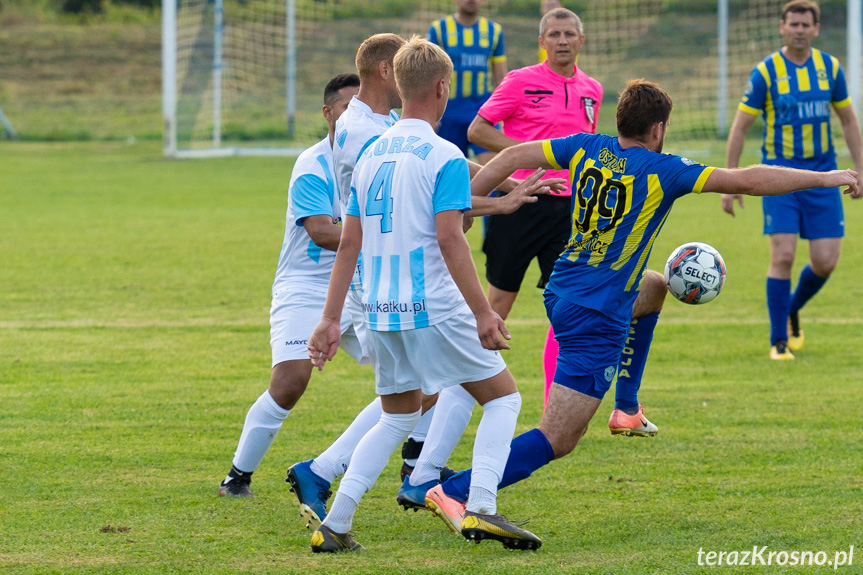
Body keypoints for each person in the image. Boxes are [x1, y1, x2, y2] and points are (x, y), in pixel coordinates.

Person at [419, 78, 858, 533]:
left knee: (652, 286)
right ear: (659, 129)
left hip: (565, 287)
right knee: (560, 437)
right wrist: (827, 178)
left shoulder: (586, 145)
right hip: (596, 312)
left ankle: (626, 408)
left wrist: (468, 208)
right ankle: (455, 491)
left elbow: (510, 155)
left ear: (619, 120)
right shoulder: (666, 169)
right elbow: (748, 179)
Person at [286, 33, 560, 530]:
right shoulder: (444, 155)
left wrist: (329, 320)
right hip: (433, 303)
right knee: (504, 398)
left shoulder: (369, 151)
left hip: (380, 306)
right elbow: (451, 239)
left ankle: (336, 524)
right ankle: (480, 508)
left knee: (397, 415)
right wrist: (482, 311)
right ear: (441, 88)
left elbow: (349, 242)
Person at [468, 7, 662, 436]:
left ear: (581, 41)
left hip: (572, 212)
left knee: (567, 310)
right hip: (518, 203)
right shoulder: (519, 80)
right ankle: (458, 395)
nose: (561, 40)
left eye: (568, 34)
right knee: (497, 306)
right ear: (542, 41)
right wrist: (527, 154)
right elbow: (478, 130)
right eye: (553, 34)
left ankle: (553, 409)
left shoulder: (592, 88)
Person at [217, 74, 364, 498]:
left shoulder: (377, 159)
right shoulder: (312, 164)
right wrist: (393, 227)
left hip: (363, 282)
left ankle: (416, 468)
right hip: (306, 285)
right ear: (327, 113)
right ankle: (237, 477)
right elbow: (321, 231)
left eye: (361, 108)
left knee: (418, 374)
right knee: (290, 382)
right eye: (345, 107)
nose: (353, 115)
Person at [722, 0, 863, 360]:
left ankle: (791, 309)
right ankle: (778, 341)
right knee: (783, 254)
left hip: (824, 176)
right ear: (782, 27)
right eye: (793, 24)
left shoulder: (829, 68)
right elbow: (741, 126)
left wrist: (860, 170)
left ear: (816, 29)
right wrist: (730, 179)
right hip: (779, 178)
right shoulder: (766, 72)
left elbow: (848, 121)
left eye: (806, 24)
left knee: (825, 261)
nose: (800, 29)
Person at [428, 0, 506, 165]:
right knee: (449, 168)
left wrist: (504, 114)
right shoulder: (439, 29)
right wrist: (431, 112)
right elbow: (430, 74)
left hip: (482, 112)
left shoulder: (494, 31)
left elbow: (500, 78)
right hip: (449, 112)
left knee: (493, 169)